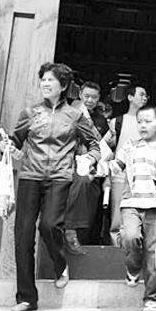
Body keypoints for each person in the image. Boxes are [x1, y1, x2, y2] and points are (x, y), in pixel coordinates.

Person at [3, 62, 100, 311]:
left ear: (63, 85)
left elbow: (95, 144)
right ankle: (27, 298)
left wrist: (90, 159)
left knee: (48, 225)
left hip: (59, 177)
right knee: (23, 235)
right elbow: (15, 141)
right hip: (30, 177)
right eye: (43, 79)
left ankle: (60, 263)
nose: (45, 84)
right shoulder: (30, 113)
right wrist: (8, 146)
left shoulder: (75, 115)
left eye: (50, 80)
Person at [109, 104, 156, 311]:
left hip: (155, 207)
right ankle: (133, 268)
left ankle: (153, 298)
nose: (143, 125)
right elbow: (115, 165)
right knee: (130, 237)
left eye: (148, 121)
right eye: (140, 122)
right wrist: (98, 165)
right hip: (131, 203)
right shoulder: (130, 146)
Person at [64, 80, 109, 254]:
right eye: (87, 96)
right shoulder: (70, 113)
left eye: (94, 97)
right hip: (70, 166)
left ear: (98, 99)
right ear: (80, 95)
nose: (90, 100)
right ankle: (70, 236)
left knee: (91, 210)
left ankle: (83, 243)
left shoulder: (101, 121)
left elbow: (104, 149)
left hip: (94, 169)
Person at [102, 84, 149, 245]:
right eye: (141, 94)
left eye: (146, 95)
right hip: (119, 174)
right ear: (130, 97)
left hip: (142, 176)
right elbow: (104, 149)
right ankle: (116, 248)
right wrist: (107, 176)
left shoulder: (149, 123)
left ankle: (135, 248)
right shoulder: (117, 122)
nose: (144, 98)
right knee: (117, 215)